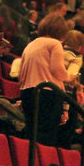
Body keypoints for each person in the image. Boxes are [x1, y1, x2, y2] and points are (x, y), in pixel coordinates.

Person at [18, 14, 70, 146]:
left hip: (27, 92)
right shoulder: (55, 44)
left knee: (31, 133)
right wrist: (70, 77)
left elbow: (21, 74)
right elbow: (57, 70)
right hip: (48, 93)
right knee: (46, 136)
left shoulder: (30, 45)